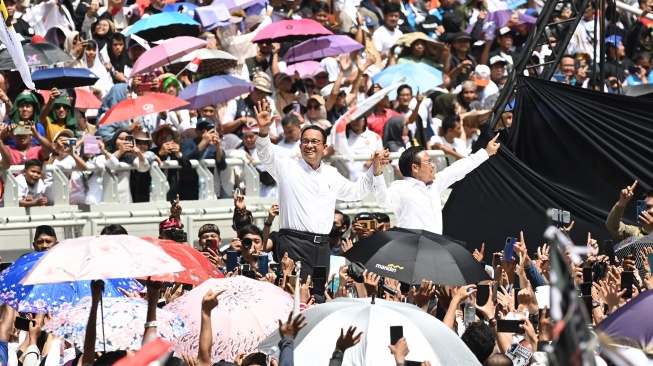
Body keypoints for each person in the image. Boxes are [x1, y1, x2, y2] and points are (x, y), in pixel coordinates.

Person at [254, 98, 388, 279]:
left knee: (319, 296)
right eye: (305, 141)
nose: (309, 145)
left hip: (323, 247)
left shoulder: (331, 174)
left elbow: (357, 192)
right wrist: (263, 131)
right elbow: (265, 155)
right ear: (300, 145)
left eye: (315, 142)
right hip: (294, 244)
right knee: (297, 296)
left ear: (324, 148)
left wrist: (375, 168)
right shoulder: (286, 168)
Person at [372, 134, 500, 234]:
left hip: (435, 250)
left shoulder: (434, 184)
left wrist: (486, 152)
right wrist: (377, 171)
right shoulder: (401, 187)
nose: (433, 165)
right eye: (428, 162)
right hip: (410, 251)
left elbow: (458, 168)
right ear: (415, 168)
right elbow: (383, 201)